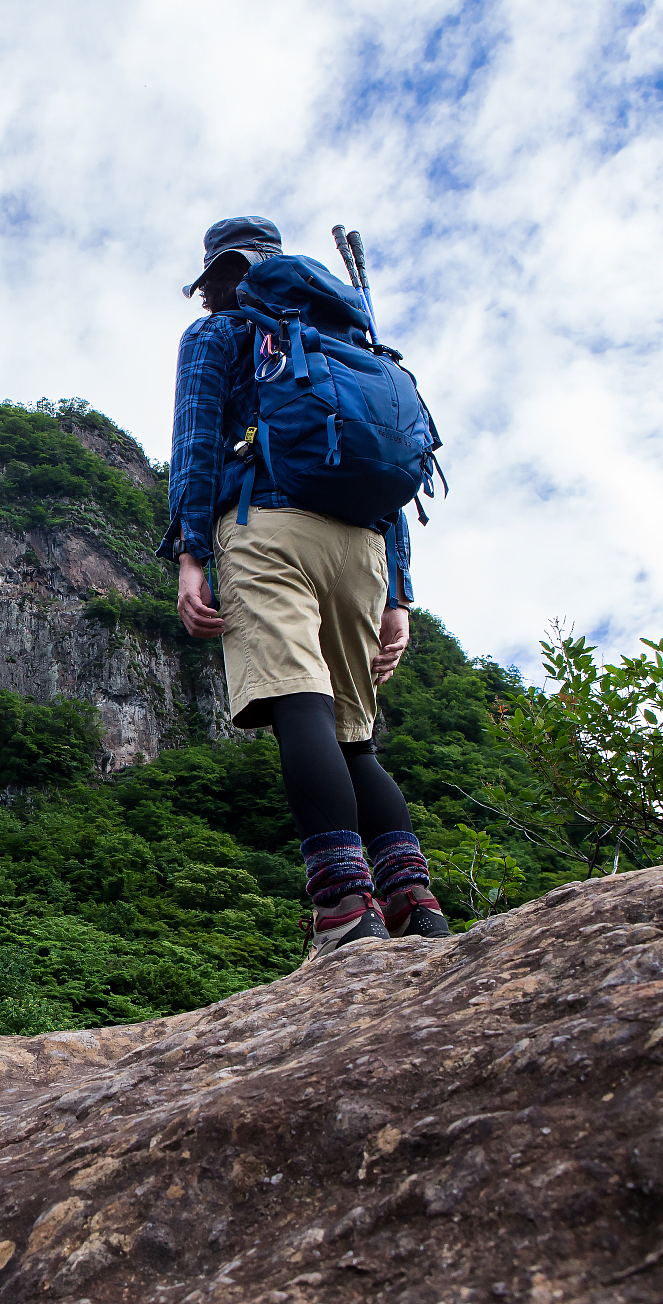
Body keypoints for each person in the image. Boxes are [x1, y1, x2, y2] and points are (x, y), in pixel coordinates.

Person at [158, 216, 451, 962]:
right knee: (356, 735)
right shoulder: (350, 340)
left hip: (267, 524)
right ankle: (414, 901)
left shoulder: (220, 335)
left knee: (301, 710)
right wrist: (400, 595)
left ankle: (345, 910)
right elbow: (395, 461)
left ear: (216, 276)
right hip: (362, 545)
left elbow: (195, 445)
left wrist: (192, 555)